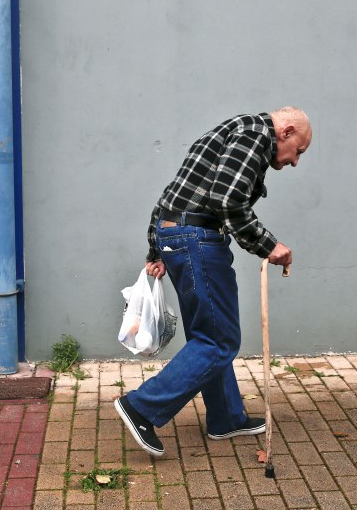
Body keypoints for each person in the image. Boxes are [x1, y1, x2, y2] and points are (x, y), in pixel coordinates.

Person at [115, 106, 312, 456]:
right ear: (286, 132)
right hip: (197, 242)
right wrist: (268, 245)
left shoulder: (232, 131)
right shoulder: (255, 135)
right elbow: (228, 200)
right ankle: (141, 407)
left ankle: (226, 417)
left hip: (177, 236)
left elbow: (169, 197)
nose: (295, 162)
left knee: (209, 333)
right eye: (298, 151)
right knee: (219, 340)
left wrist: (156, 247)